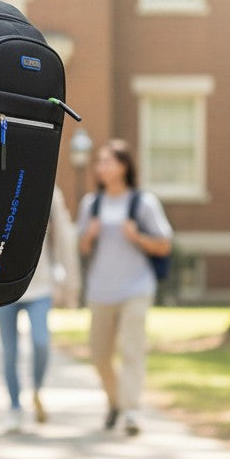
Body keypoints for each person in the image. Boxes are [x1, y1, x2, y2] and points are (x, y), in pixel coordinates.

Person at [77, 139, 173, 437]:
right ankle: (115, 402)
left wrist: (137, 237)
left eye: (107, 161)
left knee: (132, 350)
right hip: (101, 290)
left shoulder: (143, 203)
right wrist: (90, 236)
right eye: (98, 162)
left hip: (136, 287)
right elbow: (81, 247)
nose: (100, 167)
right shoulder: (91, 204)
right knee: (100, 355)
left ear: (124, 165)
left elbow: (164, 244)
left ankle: (131, 410)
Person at [0, 184, 79, 433]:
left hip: (41, 285)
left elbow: (64, 237)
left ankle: (38, 390)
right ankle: (14, 406)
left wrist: (70, 284)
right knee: (9, 350)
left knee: (41, 341)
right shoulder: (1, 184)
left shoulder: (50, 190)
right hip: (4, 286)